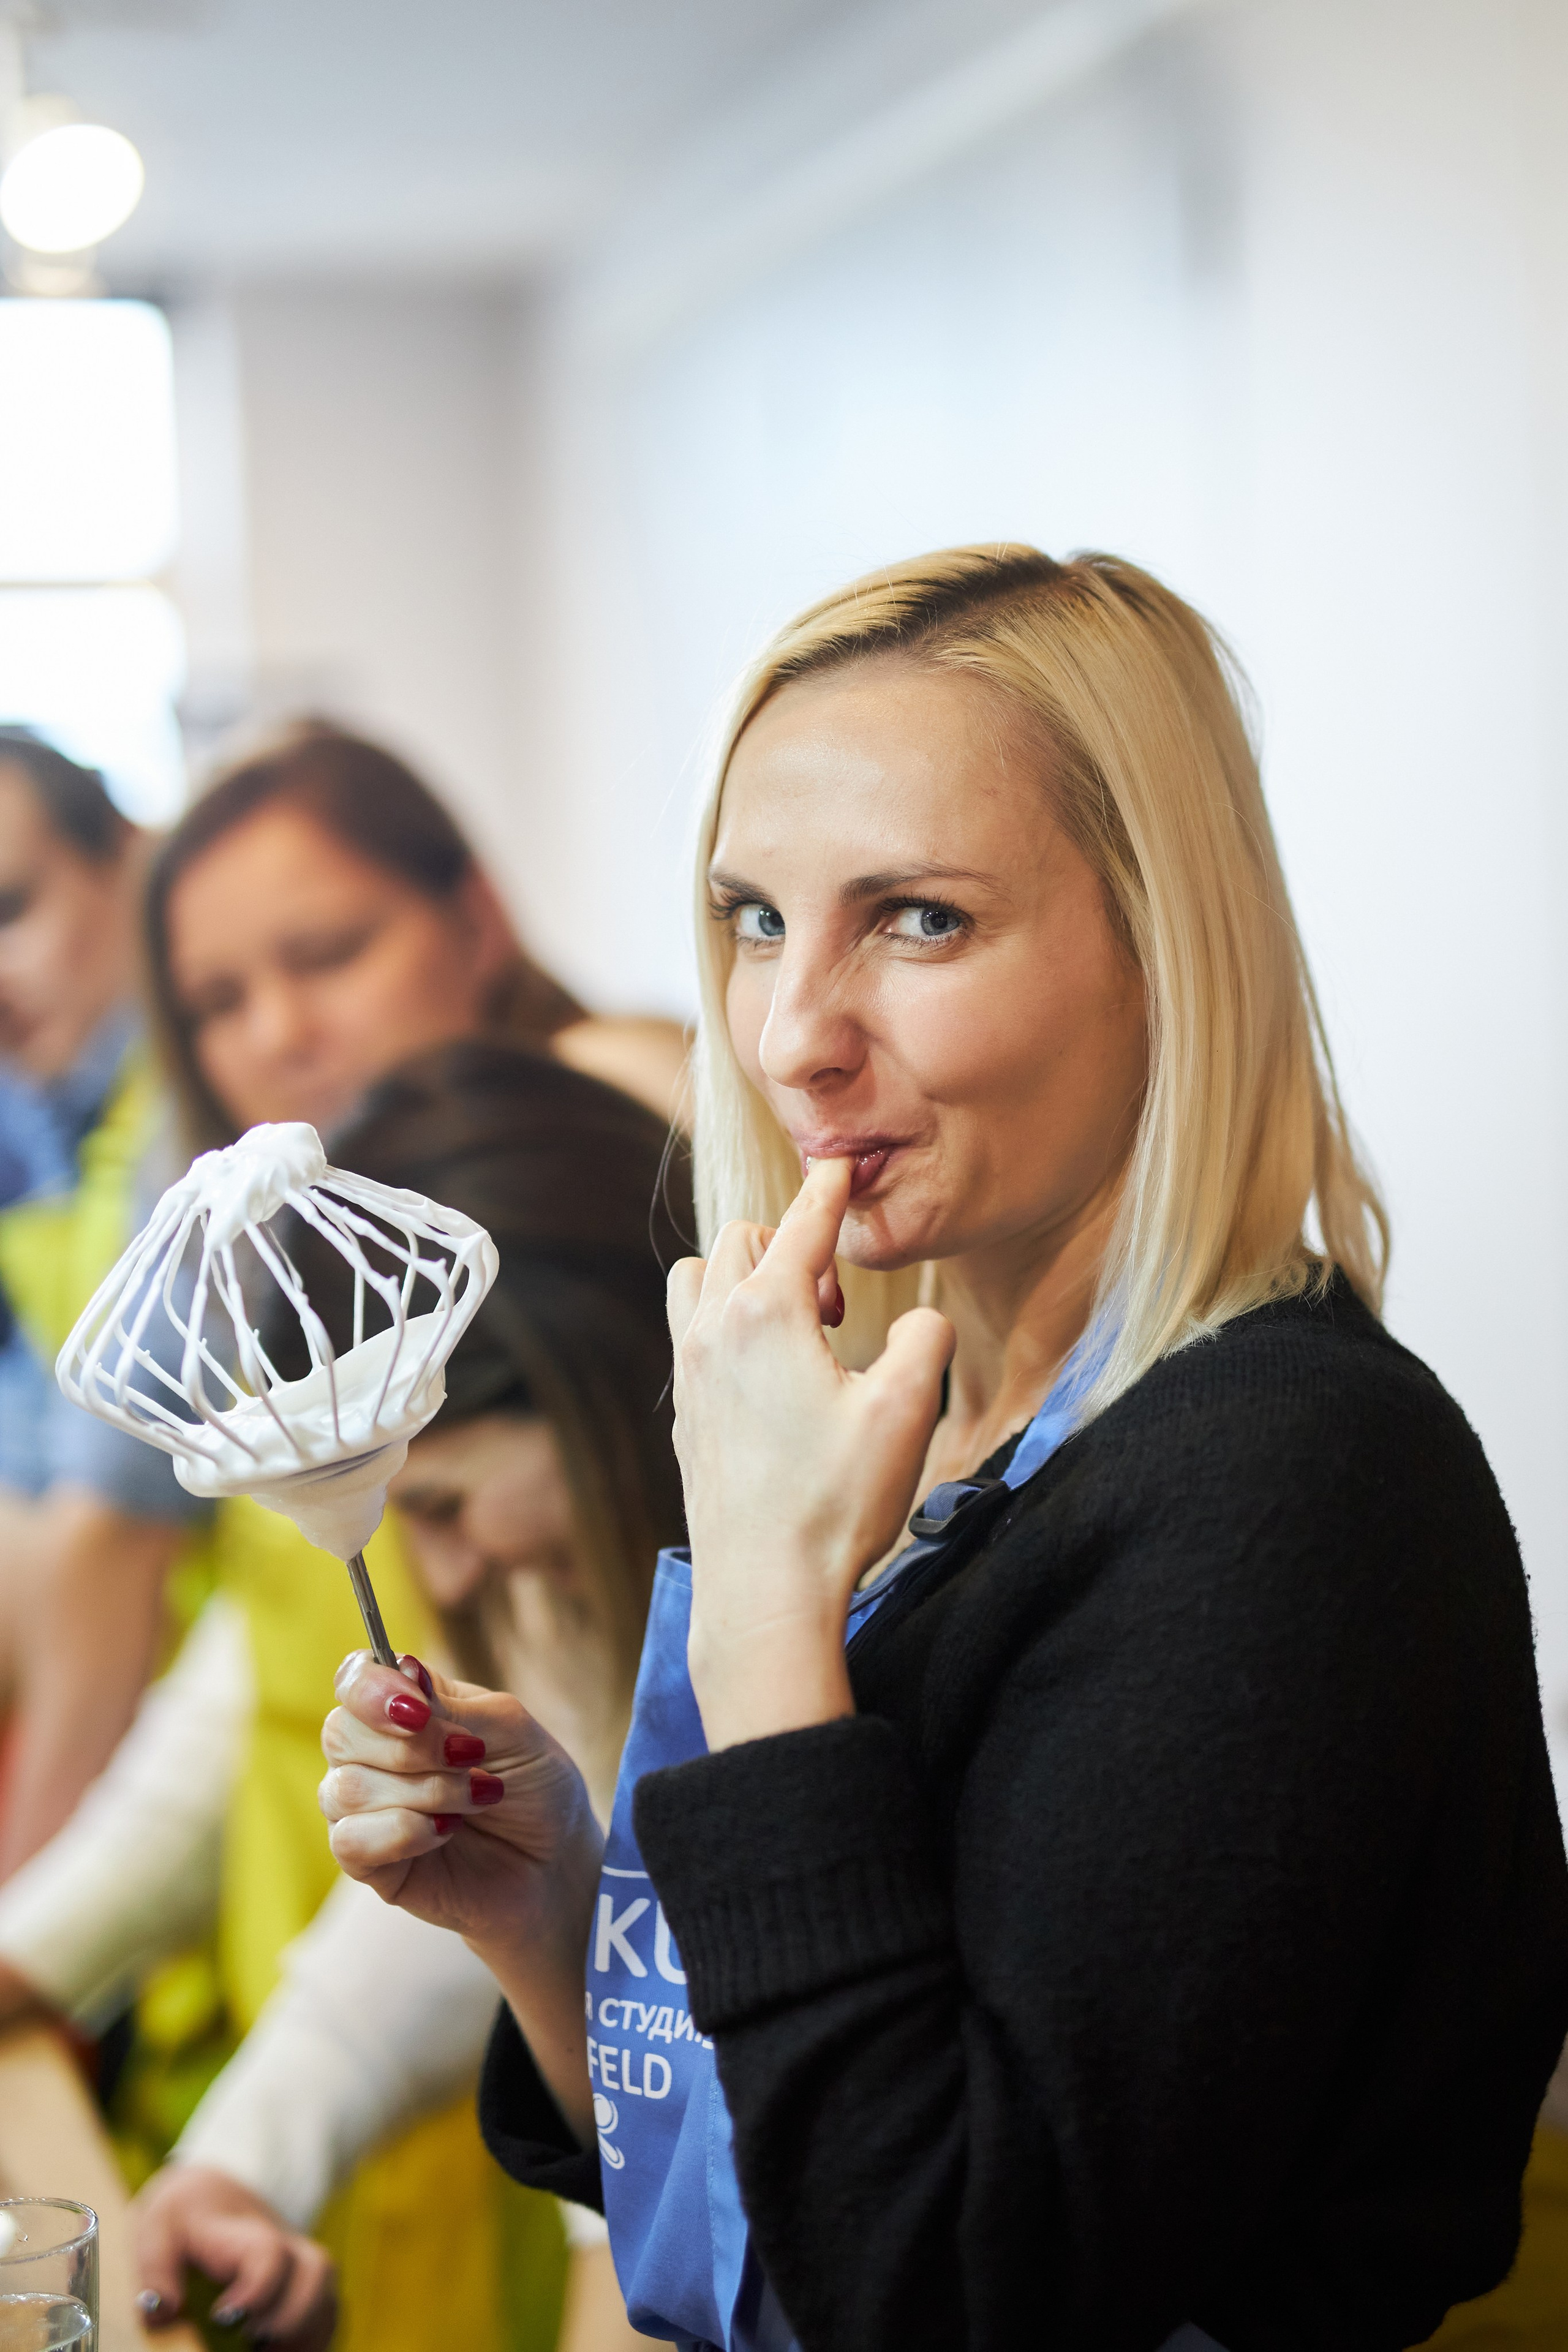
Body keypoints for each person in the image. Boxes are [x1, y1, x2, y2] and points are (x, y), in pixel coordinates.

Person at [320, 546, 1568, 2351]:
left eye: (917, 919)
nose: (788, 1038)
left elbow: (942, 2286)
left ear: (1162, 950)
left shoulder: (1291, 1487)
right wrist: (556, 1916)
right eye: (756, 918)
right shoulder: (920, 1409)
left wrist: (762, 1624)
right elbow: (801, 2191)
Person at [0, 724, 687, 2352]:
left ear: (474, 917)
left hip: (544, 2110)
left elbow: (611, 1911)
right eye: (222, 1001)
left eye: (329, 953)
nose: (279, 1037)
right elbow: (262, 1694)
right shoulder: (334, 1283)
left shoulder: (610, 1195)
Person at [0, 729, 211, 1874]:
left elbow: (107, 1541)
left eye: (10, 909)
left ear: (125, 862)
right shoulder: (45, 1119)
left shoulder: (190, 1119)